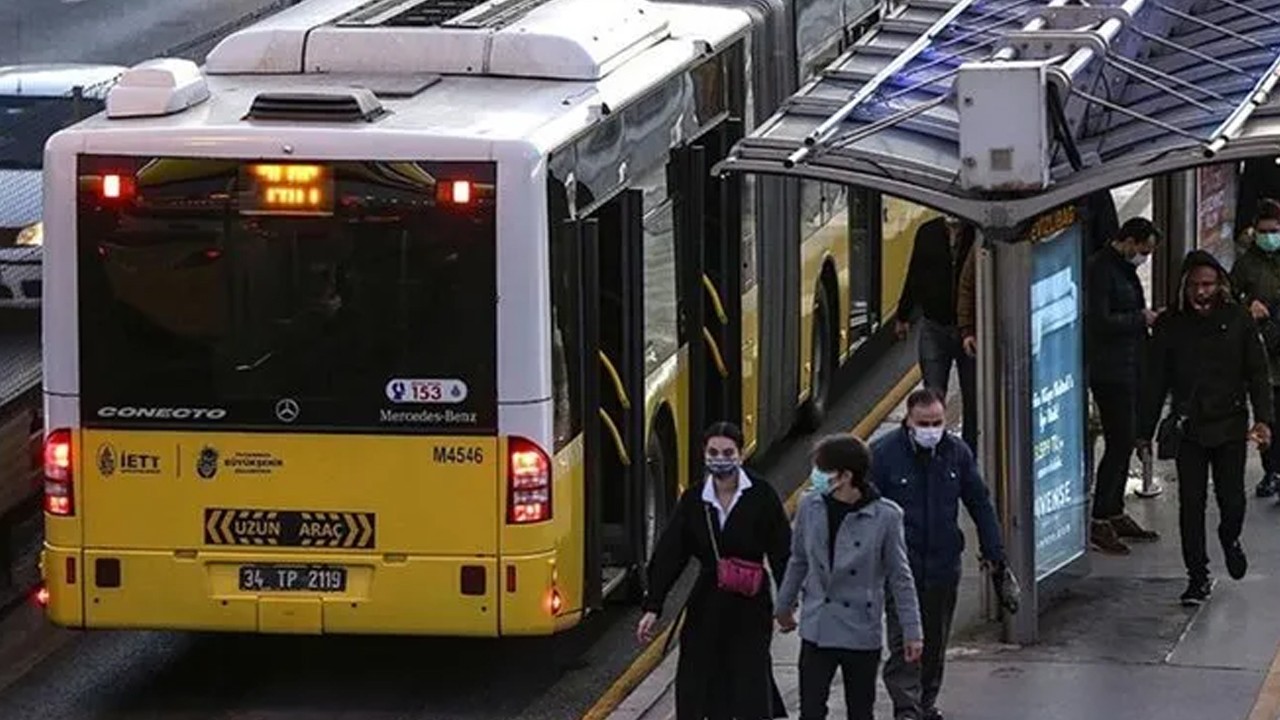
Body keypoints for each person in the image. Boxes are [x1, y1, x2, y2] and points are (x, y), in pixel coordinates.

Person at [1141, 250, 1274, 606]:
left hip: (1230, 424)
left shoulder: (1238, 320)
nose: (1202, 293)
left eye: (1209, 285)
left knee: (1232, 500)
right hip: (1190, 426)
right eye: (1196, 286)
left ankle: (1230, 538)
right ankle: (1196, 575)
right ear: (1185, 286)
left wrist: (1263, 419)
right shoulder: (1170, 325)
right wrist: (1144, 429)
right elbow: (1155, 380)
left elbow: (1257, 373)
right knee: (1191, 503)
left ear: (1220, 286)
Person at [637, 421, 792, 719]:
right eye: (713, 452)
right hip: (707, 603)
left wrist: (787, 604)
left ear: (740, 454)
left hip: (751, 604)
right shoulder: (695, 500)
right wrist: (653, 605)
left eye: (727, 451)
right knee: (699, 677)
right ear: (704, 454)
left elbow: (783, 551)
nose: (720, 458)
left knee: (749, 676)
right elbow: (671, 554)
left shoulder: (762, 495)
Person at [874, 388, 1006, 720]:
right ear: (908, 421)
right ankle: (907, 707)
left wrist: (994, 551)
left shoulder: (956, 452)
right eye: (924, 423)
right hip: (901, 569)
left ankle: (926, 703)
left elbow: (979, 501)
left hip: (943, 566)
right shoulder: (883, 455)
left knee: (934, 642)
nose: (931, 429)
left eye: (937, 422)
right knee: (906, 641)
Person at [775, 434, 923, 720]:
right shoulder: (810, 506)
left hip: (860, 631)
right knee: (811, 710)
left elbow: (900, 578)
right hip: (817, 628)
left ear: (845, 476)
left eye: (822, 470)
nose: (815, 477)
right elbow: (799, 560)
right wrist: (784, 606)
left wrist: (912, 632)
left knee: (860, 711)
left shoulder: (886, 517)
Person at [1084, 217, 1162, 554]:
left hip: (1127, 364)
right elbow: (1099, 320)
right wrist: (1139, 319)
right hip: (1109, 369)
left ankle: (1113, 511)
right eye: (1142, 250)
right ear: (1128, 241)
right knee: (1119, 441)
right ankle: (1100, 516)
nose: (1143, 257)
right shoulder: (1101, 270)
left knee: (1125, 439)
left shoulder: (1120, 268)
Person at [895, 214, 978, 454]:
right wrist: (904, 314)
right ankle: (935, 451)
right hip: (934, 326)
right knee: (932, 394)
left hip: (969, 332)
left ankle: (969, 454)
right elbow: (915, 273)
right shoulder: (927, 233)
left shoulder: (977, 233)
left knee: (973, 399)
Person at [1229, 199, 1280, 498]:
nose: (1270, 236)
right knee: (1269, 415)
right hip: (1263, 352)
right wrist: (1249, 306)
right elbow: (1231, 297)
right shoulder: (1247, 264)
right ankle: (1271, 470)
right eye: (1264, 231)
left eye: (1274, 230)